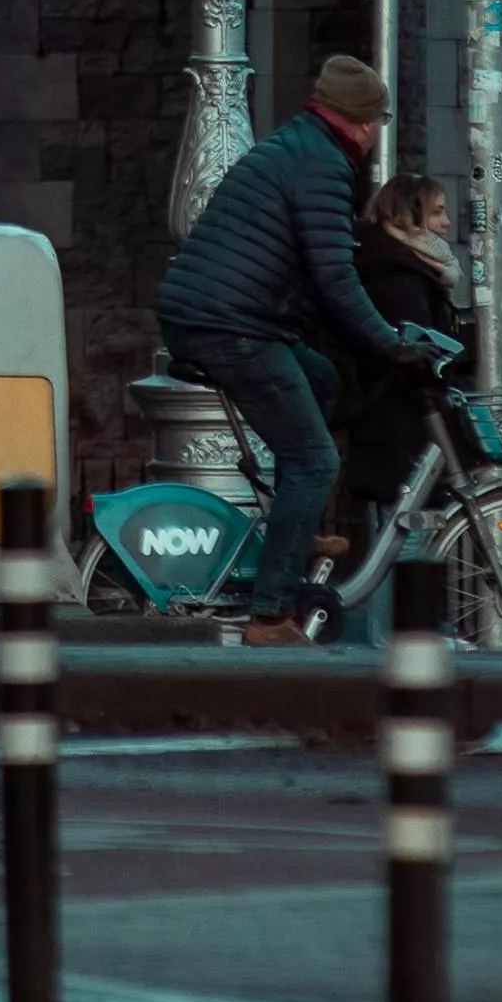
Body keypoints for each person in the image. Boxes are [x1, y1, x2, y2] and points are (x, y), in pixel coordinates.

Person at [153, 52, 453, 638]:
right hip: (227, 326)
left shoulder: (297, 144)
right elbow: (334, 277)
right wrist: (389, 345)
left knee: (321, 377)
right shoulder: (323, 165)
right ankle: (270, 613)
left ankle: (295, 525)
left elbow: (308, 277)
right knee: (316, 460)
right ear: (364, 124)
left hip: (220, 315)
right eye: (376, 124)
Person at [304, 173, 468, 602]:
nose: (447, 223)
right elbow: (415, 350)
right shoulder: (398, 276)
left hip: (398, 425)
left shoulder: (402, 267)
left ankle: (403, 632)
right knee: (404, 540)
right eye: (436, 211)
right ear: (405, 215)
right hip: (399, 426)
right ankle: (403, 636)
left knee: (398, 538)